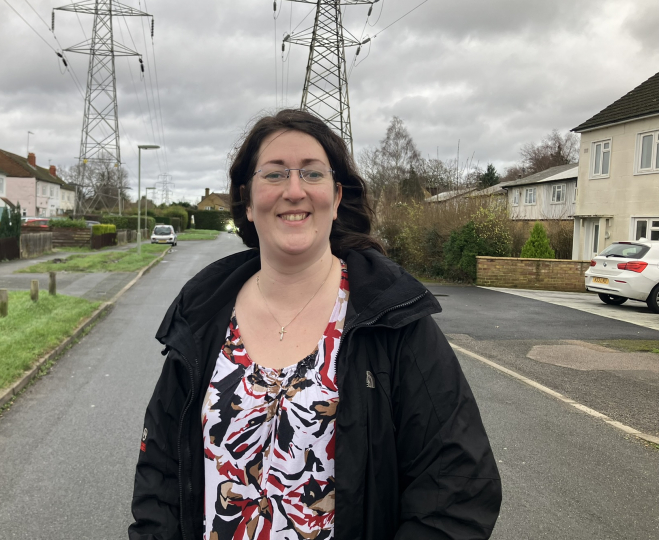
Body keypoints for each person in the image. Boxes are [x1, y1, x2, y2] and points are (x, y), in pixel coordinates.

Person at [129, 109, 501, 540]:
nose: (294, 190)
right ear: (247, 202)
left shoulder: (391, 320)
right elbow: (159, 475)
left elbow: (458, 485)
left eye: (312, 173)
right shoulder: (201, 317)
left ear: (337, 196)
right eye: (273, 175)